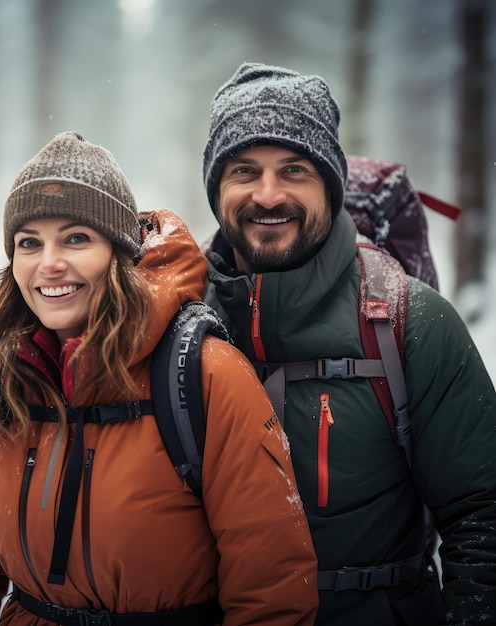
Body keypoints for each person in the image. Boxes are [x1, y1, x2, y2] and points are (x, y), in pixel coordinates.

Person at [0, 131, 318, 625]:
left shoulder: (207, 375)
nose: (49, 263)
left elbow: (272, 588)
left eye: (76, 238)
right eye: (29, 243)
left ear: (119, 253)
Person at [202, 62, 496, 626]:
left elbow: (482, 513)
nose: (267, 194)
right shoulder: (178, 322)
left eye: (294, 170)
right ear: (216, 190)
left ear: (331, 188)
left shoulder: (411, 323)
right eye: (244, 170)